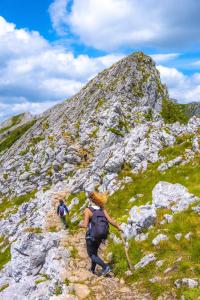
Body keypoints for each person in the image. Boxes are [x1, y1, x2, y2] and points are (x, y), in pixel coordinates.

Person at [79, 191, 122, 276]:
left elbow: (85, 225)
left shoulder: (88, 210)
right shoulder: (102, 209)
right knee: (94, 253)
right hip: (101, 235)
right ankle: (92, 269)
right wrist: (118, 227)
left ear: (91, 200)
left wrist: (79, 225)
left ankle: (105, 267)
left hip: (92, 235)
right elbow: (110, 220)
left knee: (91, 254)